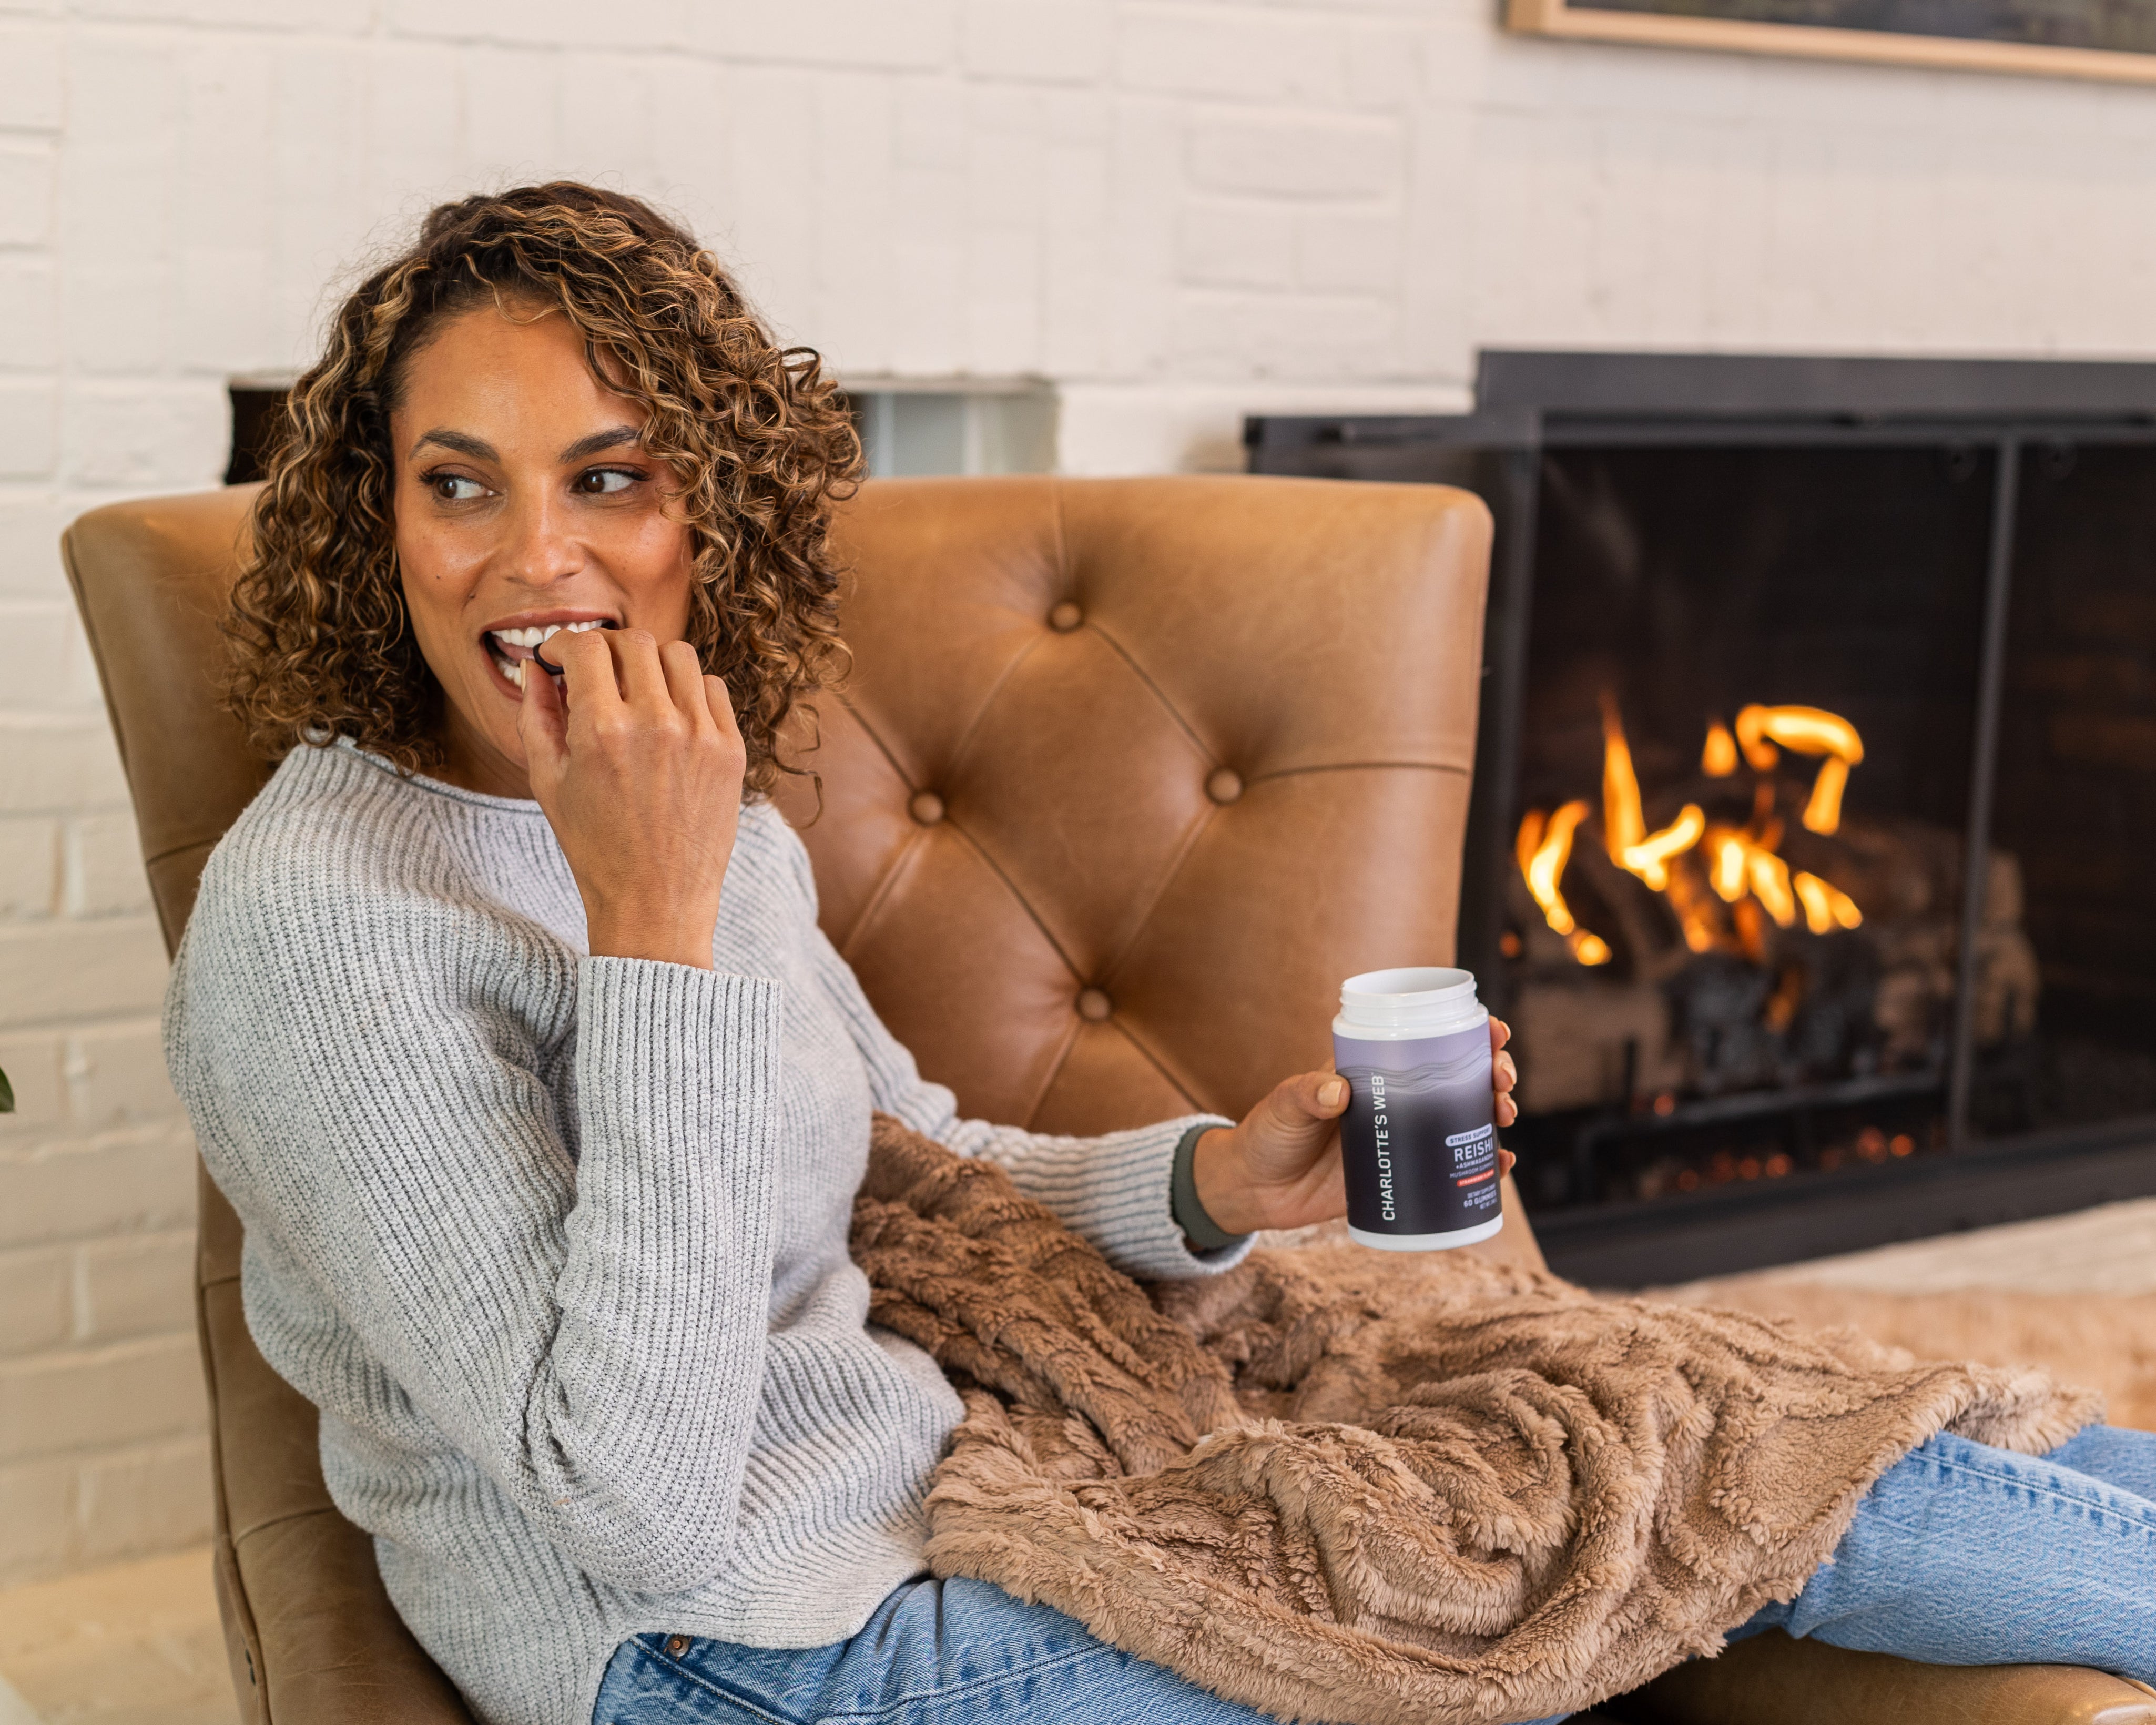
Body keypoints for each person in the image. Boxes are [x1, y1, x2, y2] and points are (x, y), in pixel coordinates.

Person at [167, 184, 2156, 1725]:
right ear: (376, 516)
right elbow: (641, 1508)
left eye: (612, 476)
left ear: (711, 509)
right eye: (460, 485)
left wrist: (1215, 1177)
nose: (537, 560)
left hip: (957, 1488)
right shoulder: (331, 924)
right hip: (732, 1656)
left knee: (1682, 1422)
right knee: (1642, 1497)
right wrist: (654, 932)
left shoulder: (671, 790)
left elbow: (908, 1165)